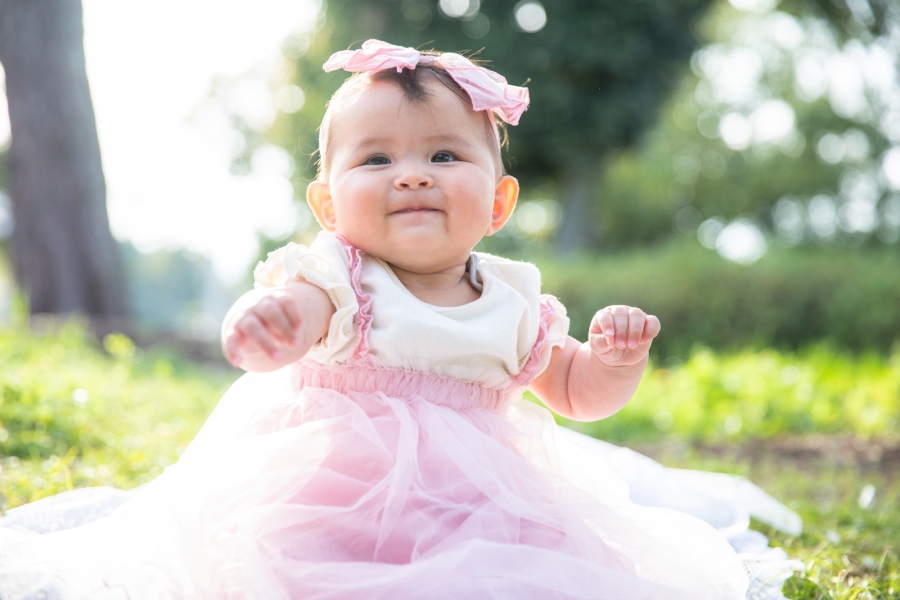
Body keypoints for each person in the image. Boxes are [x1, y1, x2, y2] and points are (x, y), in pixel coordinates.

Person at [0, 40, 801, 599]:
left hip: (482, 508)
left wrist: (612, 362)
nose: (412, 175)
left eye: (444, 156)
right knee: (292, 573)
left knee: (523, 576)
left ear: (498, 202)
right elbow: (296, 310)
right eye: (376, 159)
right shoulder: (338, 277)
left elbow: (575, 393)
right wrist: (267, 320)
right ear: (327, 204)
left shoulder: (515, 299)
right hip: (329, 497)